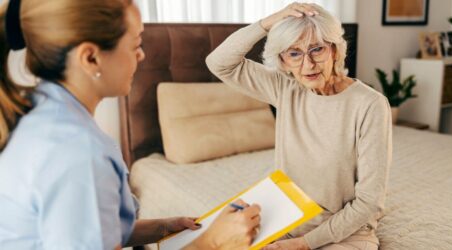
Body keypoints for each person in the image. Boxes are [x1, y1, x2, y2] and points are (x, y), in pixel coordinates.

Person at [0, 0, 260, 249]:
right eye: (135, 44)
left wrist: (161, 228)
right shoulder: (77, 153)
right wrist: (212, 243)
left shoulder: (42, 110)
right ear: (90, 58)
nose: (142, 54)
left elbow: (79, 228)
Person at [207, 3, 392, 250]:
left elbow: (369, 203)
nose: (308, 65)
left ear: (335, 50)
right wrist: (267, 23)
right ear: (282, 61)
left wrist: (304, 244)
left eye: (317, 49)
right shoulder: (285, 89)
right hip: (284, 222)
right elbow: (219, 62)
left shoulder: (370, 104)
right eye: (294, 53)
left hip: (345, 231)